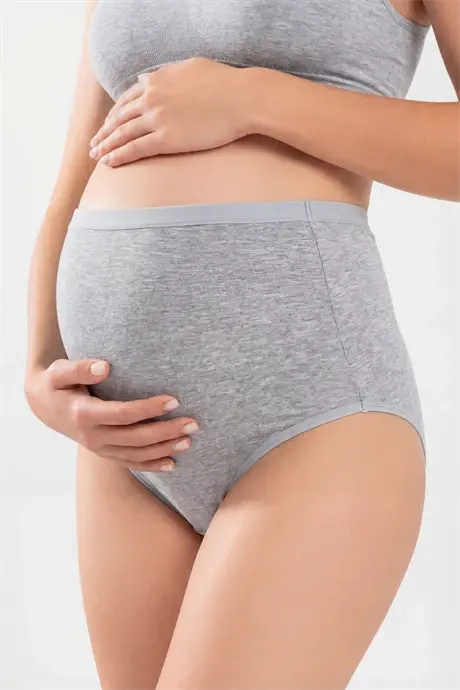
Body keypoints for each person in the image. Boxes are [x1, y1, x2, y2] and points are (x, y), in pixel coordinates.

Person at [24, 1, 456, 688]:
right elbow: (68, 188)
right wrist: (39, 366)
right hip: (124, 434)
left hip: (306, 410)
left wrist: (256, 98)